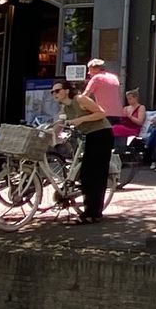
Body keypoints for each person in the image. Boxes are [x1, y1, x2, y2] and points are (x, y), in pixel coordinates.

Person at [51, 79, 112, 223]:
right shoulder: (65, 108)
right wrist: (49, 135)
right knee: (85, 174)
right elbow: (59, 124)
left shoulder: (80, 99)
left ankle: (93, 214)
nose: (54, 94)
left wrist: (81, 119)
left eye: (57, 90)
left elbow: (101, 113)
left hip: (101, 134)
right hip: (89, 136)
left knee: (94, 174)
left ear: (67, 91)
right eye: (52, 92)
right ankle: (90, 211)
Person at [83, 59, 124, 124]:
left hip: (104, 114)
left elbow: (84, 96)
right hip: (118, 113)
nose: (88, 73)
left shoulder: (97, 78)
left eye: (90, 69)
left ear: (96, 69)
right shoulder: (114, 77)